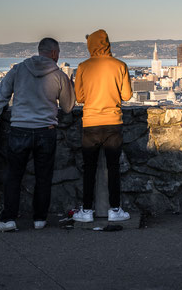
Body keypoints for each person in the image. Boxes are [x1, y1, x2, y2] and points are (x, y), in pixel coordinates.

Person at [0, 38, 75, 231]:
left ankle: (8, 219)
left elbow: (2, 95)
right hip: (46, 130)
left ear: (39, 51)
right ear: (55, 53)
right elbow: (68, 107)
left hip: (19, 129)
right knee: (43, 177)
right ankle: (39, 219)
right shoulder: (58, 75)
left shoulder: (19, 69)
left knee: (14, 176)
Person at [72, 29, 132, 223]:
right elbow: (127, 95)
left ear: (91, 45)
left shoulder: (83, 67)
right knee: (114, 168)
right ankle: (115, 209)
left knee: (89, 168)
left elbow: (80, 98)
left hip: (90, 124)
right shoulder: (120, 65)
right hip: (113, 123)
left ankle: (87, 211)